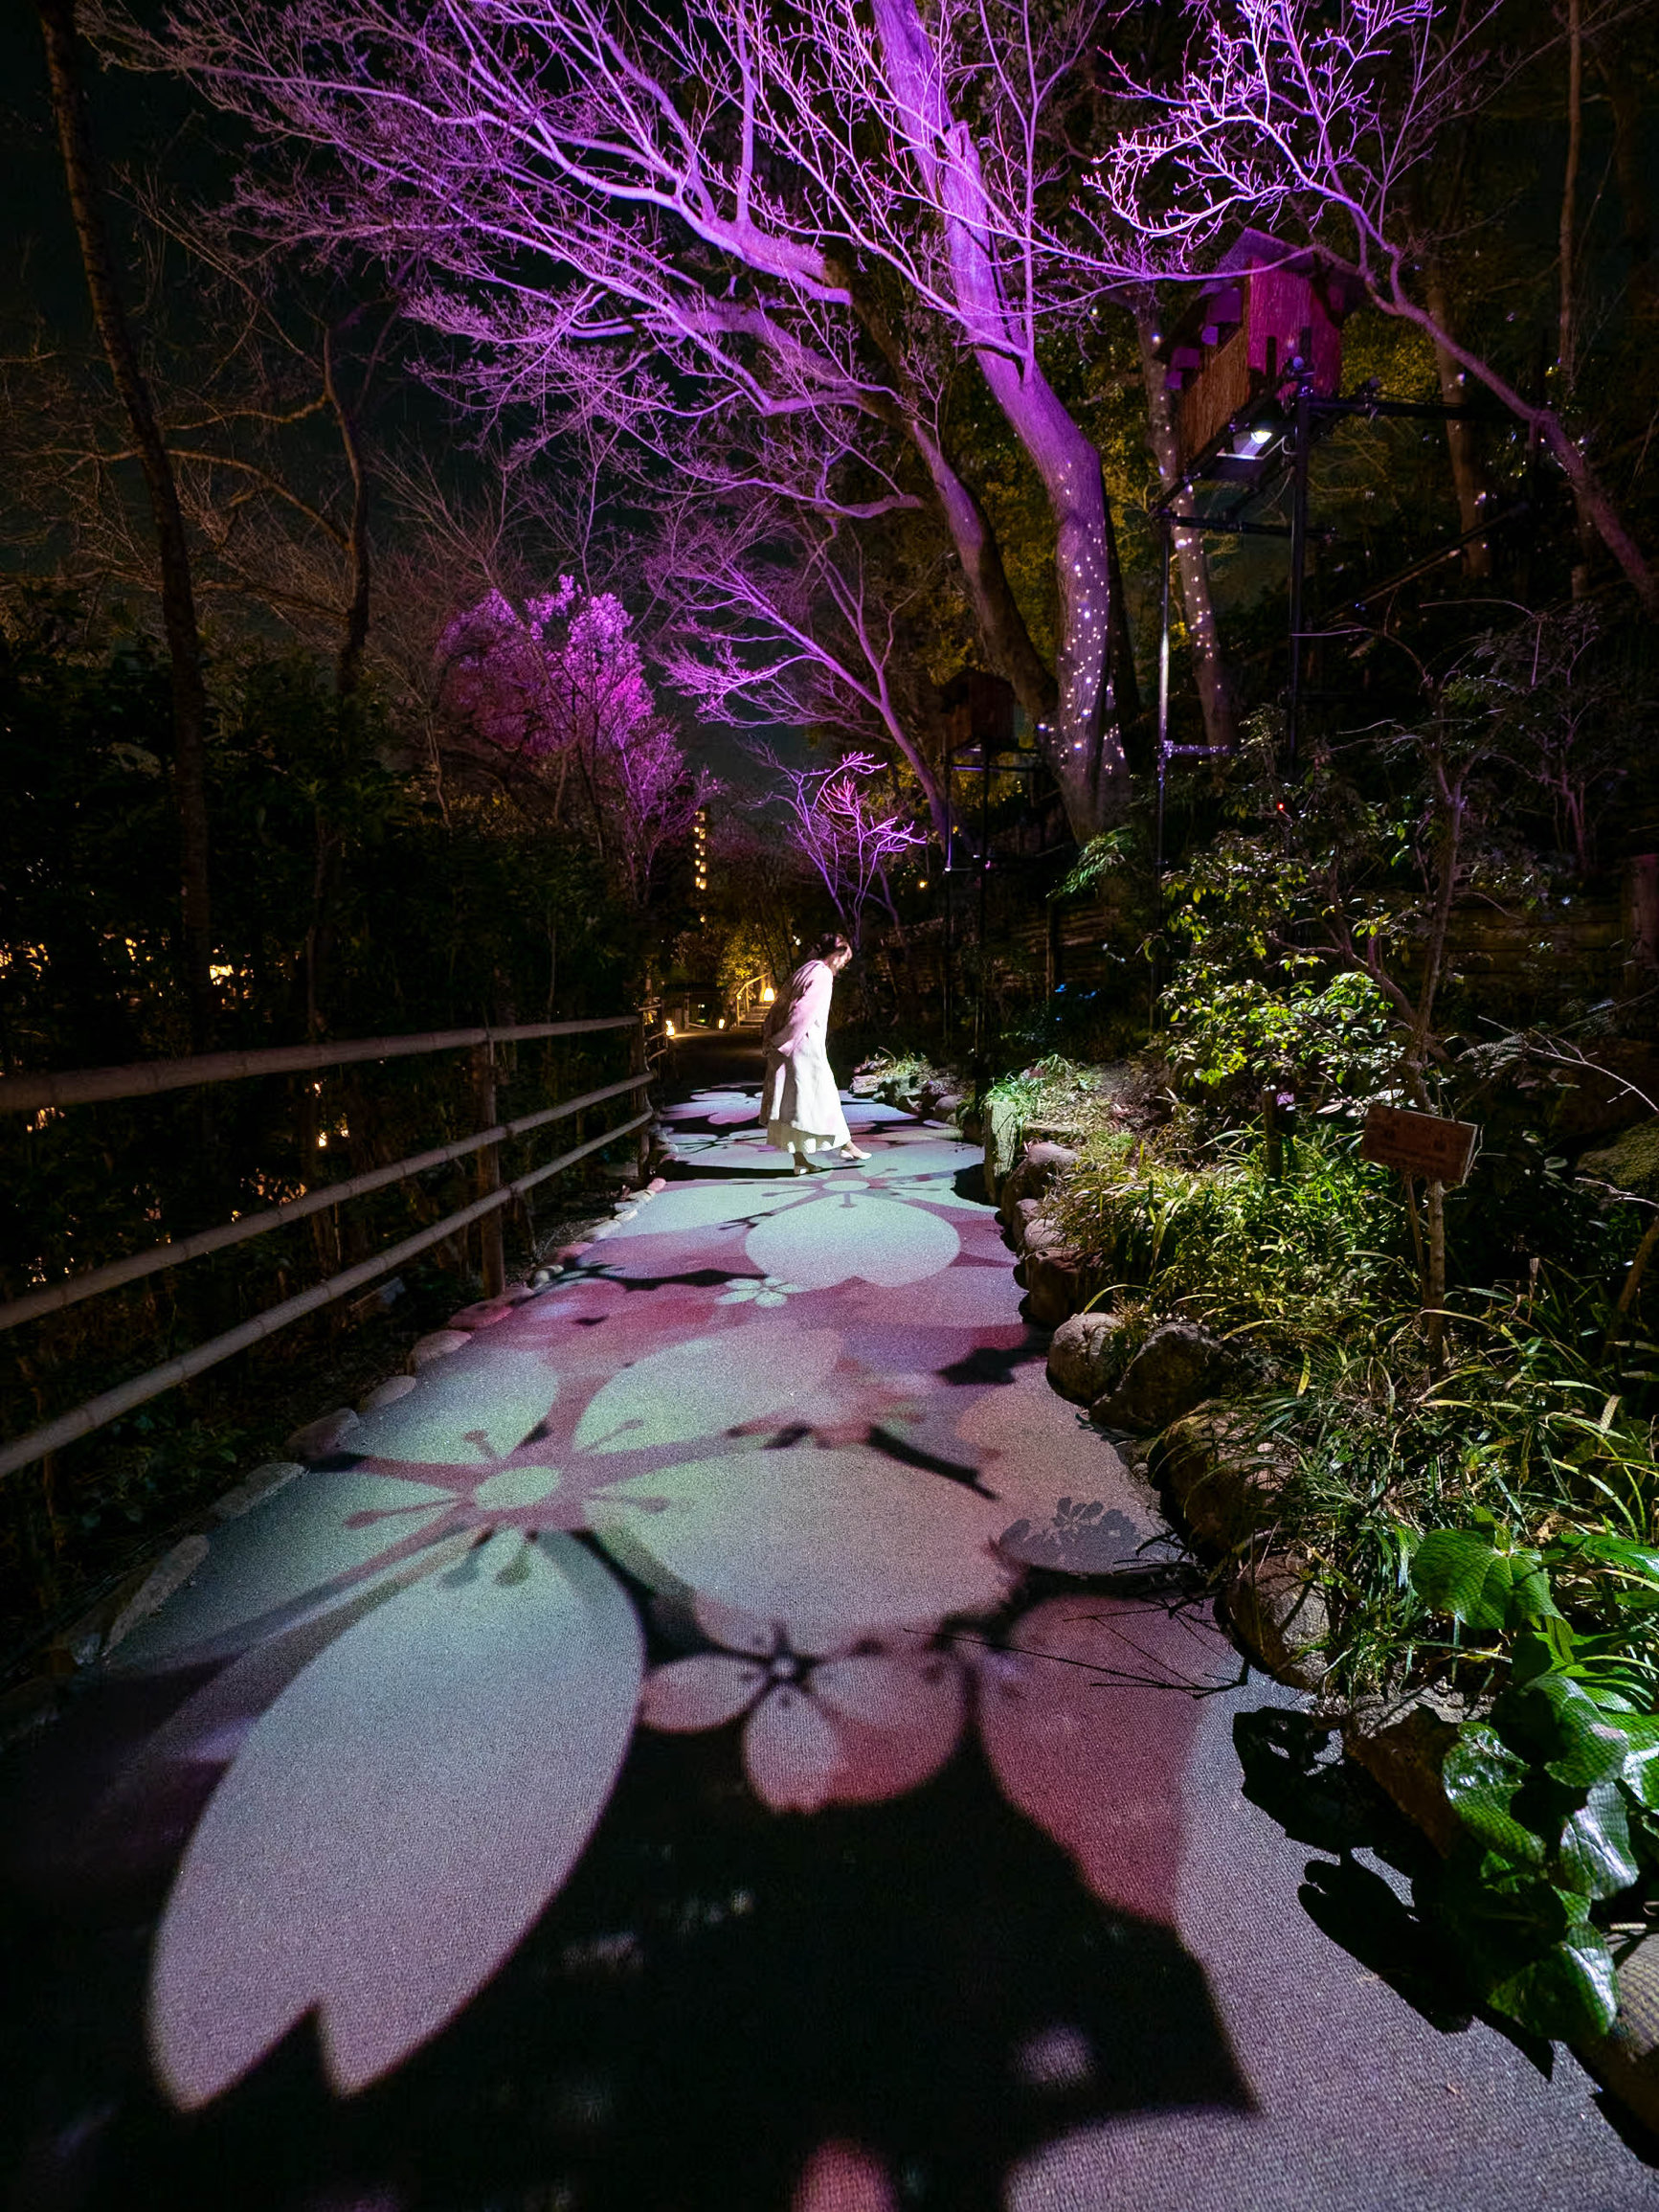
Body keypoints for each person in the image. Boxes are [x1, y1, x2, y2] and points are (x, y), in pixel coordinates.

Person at [760, 934, 871, 1172]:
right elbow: (803, 1012)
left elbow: (779, 1005)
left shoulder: (805, 970)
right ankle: (846, 1145)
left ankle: (801, 1162)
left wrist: (772, 1037)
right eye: (844, 959)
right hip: (804, 1047)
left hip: (790, 1047)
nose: (843, 965)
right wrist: (783, 1041)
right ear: (836, 955)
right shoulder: (822, 974)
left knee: (795, 1105)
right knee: (824, 1097)